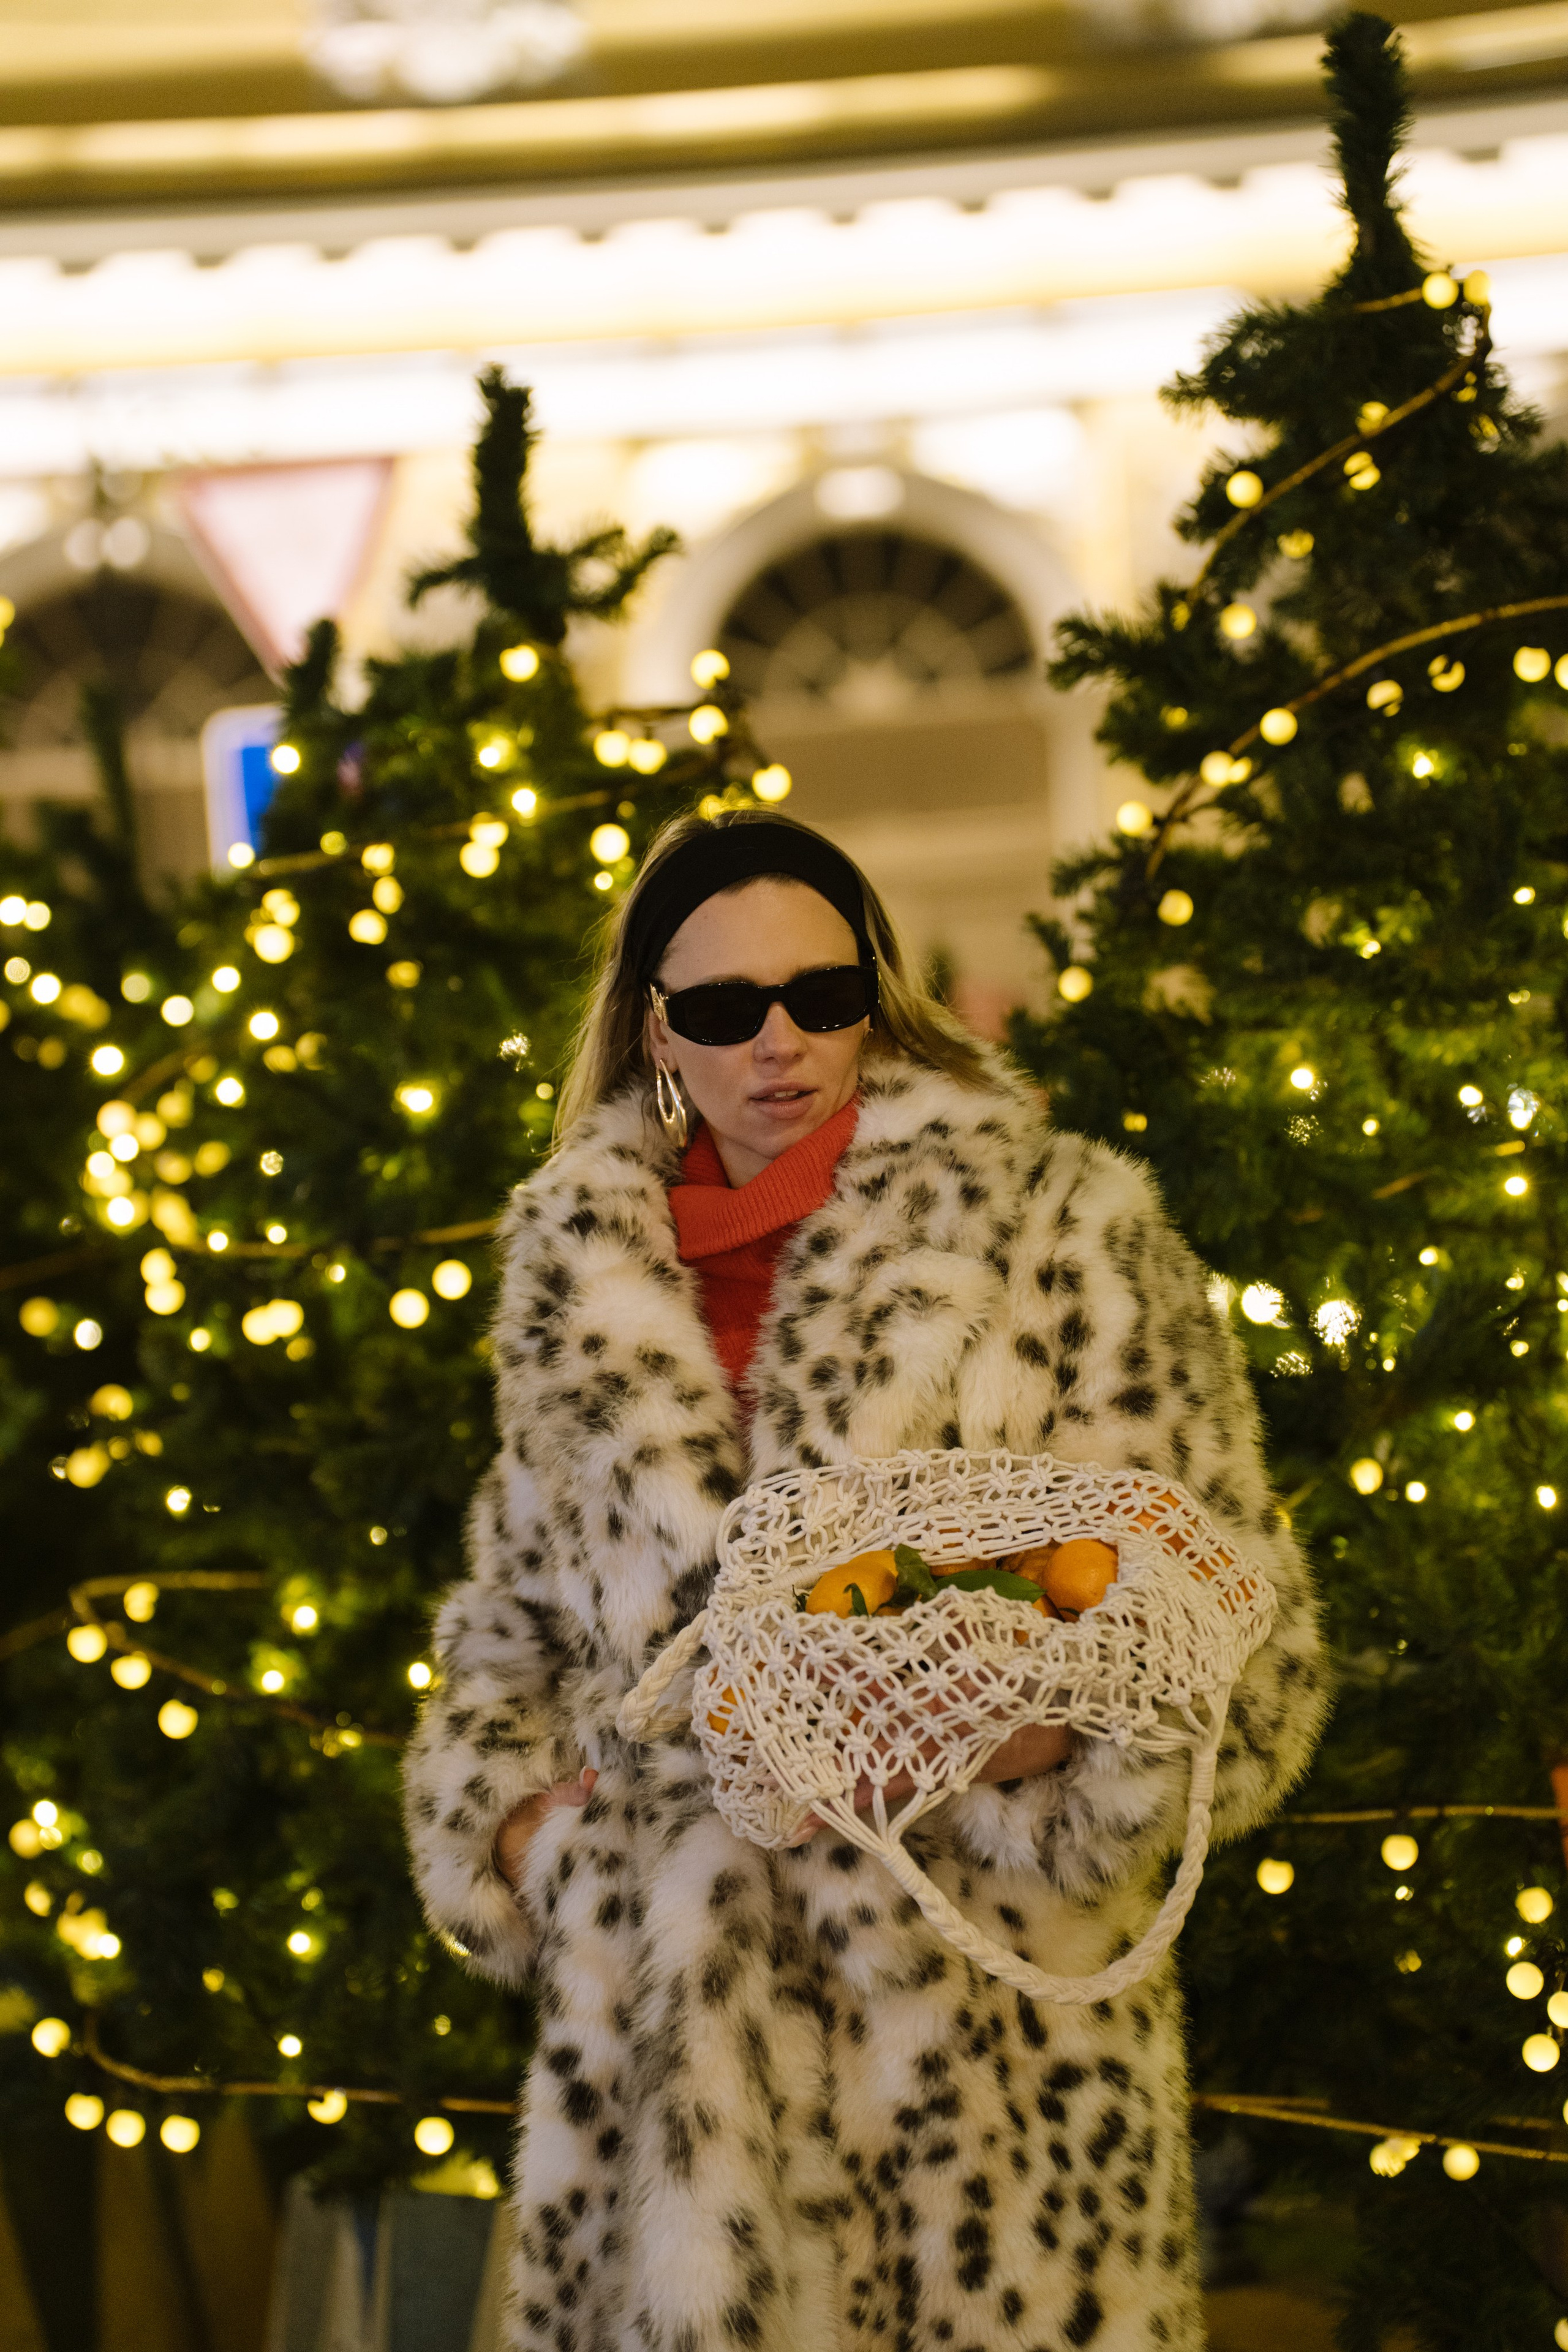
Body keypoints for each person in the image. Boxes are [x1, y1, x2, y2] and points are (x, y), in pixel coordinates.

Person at [403, 809, 1324, 2352]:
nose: (780, 1042)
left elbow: (1246, 1626)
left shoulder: (1056, 1233)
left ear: (872, 997)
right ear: (655, 1030)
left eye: (821, 997)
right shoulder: (578, 1292)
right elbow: (507, 1644)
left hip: (991, 2106)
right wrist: (521, 1828)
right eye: (723, 1010)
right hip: (671, 2119)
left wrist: (1041, 1745)